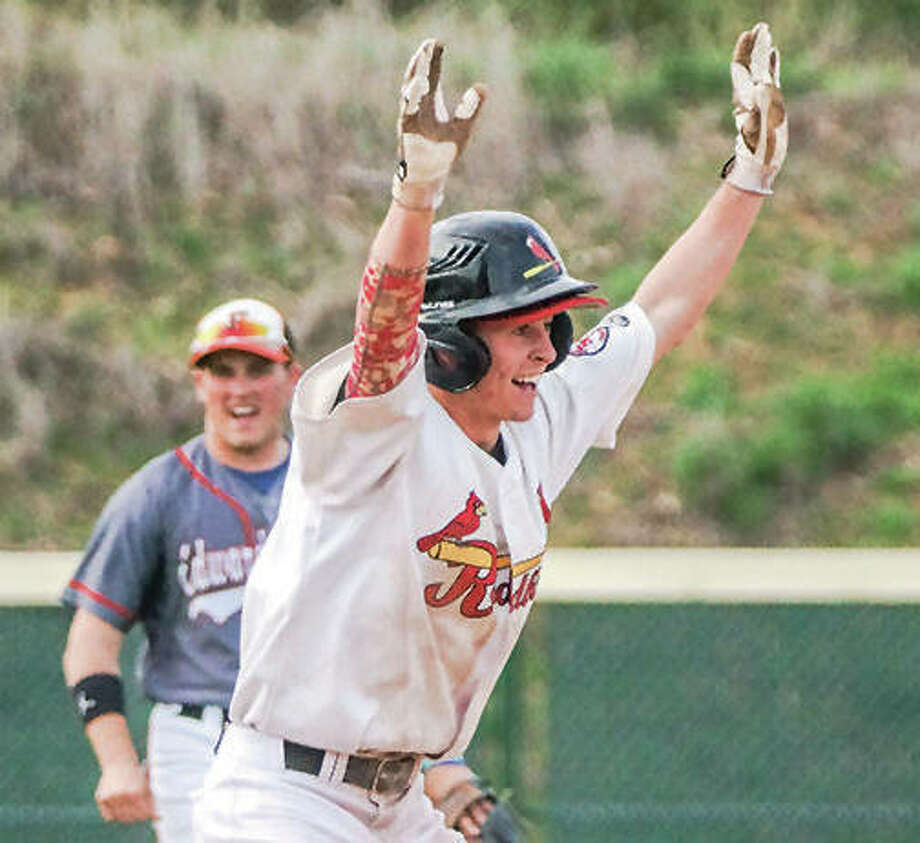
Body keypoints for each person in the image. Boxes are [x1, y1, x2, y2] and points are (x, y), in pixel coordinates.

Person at [196, 22, 787, 842]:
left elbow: (658, 312)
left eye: (555, 328)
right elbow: (383, 331)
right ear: (452, 341)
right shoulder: (379, 424)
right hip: (286, 797)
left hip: (403, 803)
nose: (549, 349)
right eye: (523, 329)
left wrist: (750, 179)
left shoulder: (538, 417)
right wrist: (415, 197)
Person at [60, 297, 508, 842]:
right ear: (199, 383)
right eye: (222, 371)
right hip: (198, 733)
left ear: (293, 375)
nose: (240, 388)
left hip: (328, 741)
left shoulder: (342, 478)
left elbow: (394, 640)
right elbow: (91, 641)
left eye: (258, 369)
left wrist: (438, 768)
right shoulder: (157, 492)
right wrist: (115, 761)